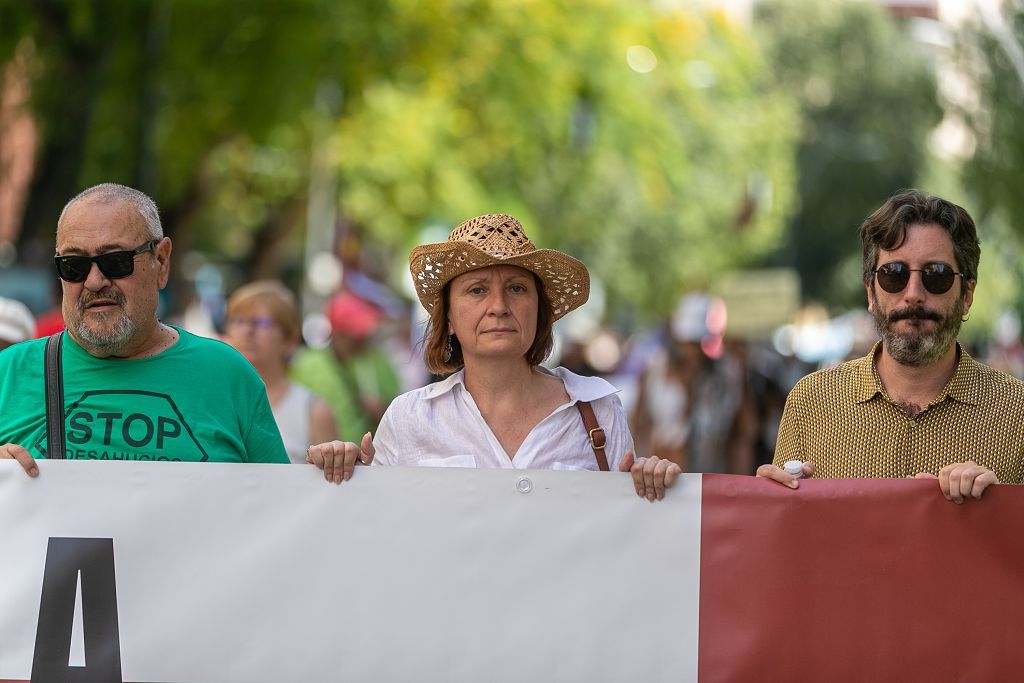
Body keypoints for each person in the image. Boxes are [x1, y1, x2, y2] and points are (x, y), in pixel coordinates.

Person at [309, 213, 681, 500]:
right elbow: (378, 533)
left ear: (540, 311)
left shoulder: (596, 412)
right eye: (477, 290)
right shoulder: (409, 419)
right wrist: (344, 475)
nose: (499, 306)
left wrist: (651, 486)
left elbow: (624, 540)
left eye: (517, 288)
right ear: (449, 318)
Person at [0, 183, 289, 476]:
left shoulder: (228, 376)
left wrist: (329, 471)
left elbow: (284, 508)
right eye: (74, 265)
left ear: (161, 261)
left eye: (115, 261)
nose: (94, 281)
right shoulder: (9, 373)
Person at [758, 190, 1024, 503]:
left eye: (935, 275)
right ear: (871, 292)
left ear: (967, 294)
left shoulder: (1017, 413)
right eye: (894, 274)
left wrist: (1000, 510)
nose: (913, 294)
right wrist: (765, 500)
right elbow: (785, 540)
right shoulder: (811, 402)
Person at [223, 280, 338, 463]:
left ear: (289, 340)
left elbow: (332, 484)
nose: (247, 331)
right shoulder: (214, 399)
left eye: (261, 322)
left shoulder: (314, 411)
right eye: (239, 320)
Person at [291, 290, 401, 443]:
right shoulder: (307, 365)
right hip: (318, 458)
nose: (362, 340)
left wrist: (380, 410)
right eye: (355, 334)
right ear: (339, 333)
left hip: (366, 459)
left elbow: (398, 412)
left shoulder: (377, 361)